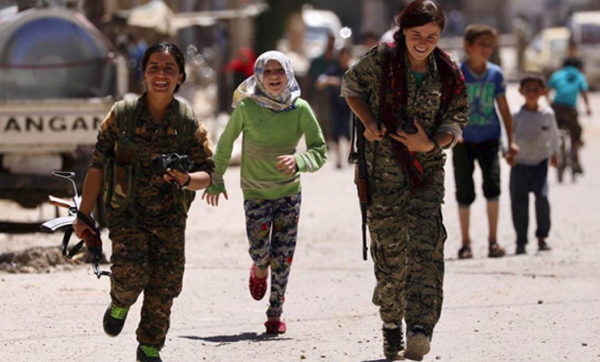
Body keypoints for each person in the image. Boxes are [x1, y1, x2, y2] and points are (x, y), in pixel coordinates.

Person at [72, 42, 215, 362]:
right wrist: (83, 217)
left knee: (165, 285)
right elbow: (97, 166)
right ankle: (120, 301)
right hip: (127, 214)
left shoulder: (188, 121)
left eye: (169, 69)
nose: (161, 75)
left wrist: (186, 180)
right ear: (144, 74)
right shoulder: (120, 116)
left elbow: (209, 173)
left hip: (170, 217)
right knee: (131, 274)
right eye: (154, 68)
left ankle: (149, 348)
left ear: (180, 77)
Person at [342, 0, 468, 360]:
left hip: (425, 173)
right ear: (403, 31)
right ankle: (391, 324)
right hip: (381, 174)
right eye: (416, 35)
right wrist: (369, 121)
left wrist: (431, 142)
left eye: (432, 36)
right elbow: (351, 88)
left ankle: (420, 327)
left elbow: (457, 120)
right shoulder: (382, 59)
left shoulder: (447, 72)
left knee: (427, 249)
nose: (423, 42)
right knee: (391, 254)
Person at [202, 51, 327, 335]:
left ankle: (275, 311)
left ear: (288, 74)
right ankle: (259, 269)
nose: (273, 77)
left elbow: (319, 150)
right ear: (258, 75)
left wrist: (299, 161)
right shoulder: (247, 108)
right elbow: (225, 142)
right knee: (262, 252)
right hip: (256, 193)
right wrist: (216, 178)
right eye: (267, 71)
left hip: (289, 193)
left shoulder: (301, 109)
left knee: (283, 256)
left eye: (279, 71)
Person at [452, 24, 519, 260]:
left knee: (493, 188)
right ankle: (466, 243)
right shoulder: (457, 74)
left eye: (490, 45)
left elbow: (504, 109)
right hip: (463, 141)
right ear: (468, 46)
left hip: (490, 139)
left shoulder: (496, 74)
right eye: (482, 44)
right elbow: (448, 108)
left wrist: (511, 141)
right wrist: (453, 132)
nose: (487, 49)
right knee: (464, 191)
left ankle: (493, 241)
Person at [510, 72, 559, 255]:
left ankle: (542, 237)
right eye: (528, 90)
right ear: (521, 91)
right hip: (520, 164)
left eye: (536, 90)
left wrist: (554, 154)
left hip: (540, 164)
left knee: (542, 199)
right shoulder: (516, 114)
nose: (532, 93)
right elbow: (508, 135)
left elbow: (554, 135)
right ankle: (521, 241)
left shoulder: (547, 114)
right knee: (519, 203)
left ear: (543, 92)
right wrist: (508, 151)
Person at [547, 57, 592, 176]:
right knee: (576, 133)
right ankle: (574, 159)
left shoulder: (558, 74)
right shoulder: (579, 76)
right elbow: (584, 93)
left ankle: (557, 154)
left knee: (554, 132)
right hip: (570, 110)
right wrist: (588, 108)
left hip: (556, 108)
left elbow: (547, 89)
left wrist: (548, 102)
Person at [316, 47, 353, 169]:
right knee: (336, 132)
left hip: (350, 106)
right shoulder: (334, 70)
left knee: (348, 132)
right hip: (335, 105)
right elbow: (320, 82)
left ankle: (349, 156)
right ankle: (338, 159)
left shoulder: (351, 71)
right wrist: (331, 81)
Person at [305, 33, 338, 143]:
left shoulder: (335, 61)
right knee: (320, 117)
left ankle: (330, 139)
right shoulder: (318, 61)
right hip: (319, 94)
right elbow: (309, 78)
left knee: (332, 118)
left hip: (333, 95)